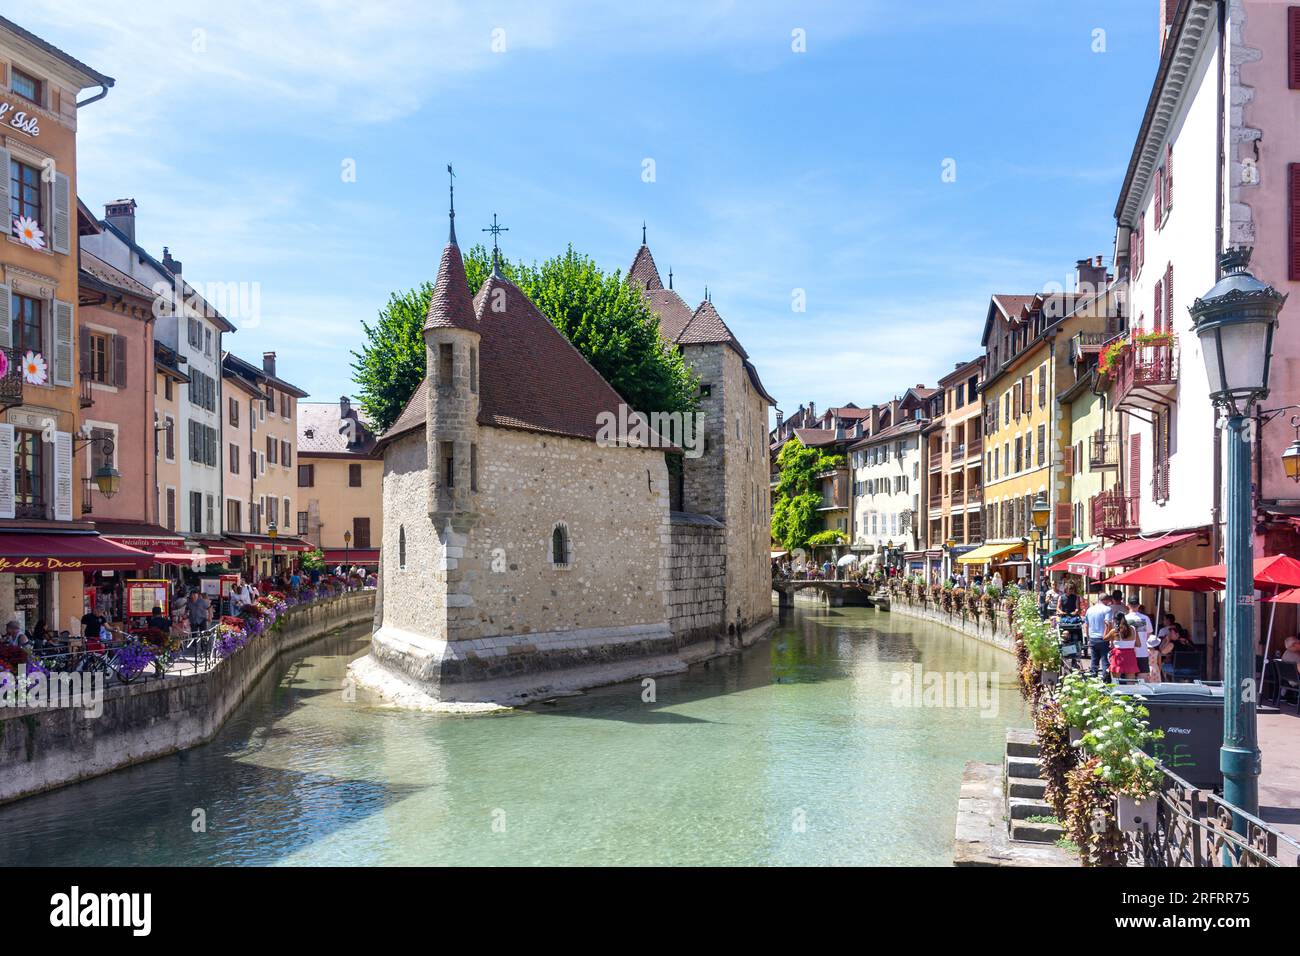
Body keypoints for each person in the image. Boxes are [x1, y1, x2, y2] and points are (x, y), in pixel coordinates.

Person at [1085, 592, 1114, 682]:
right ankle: (1106, 681)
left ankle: (1093, 679)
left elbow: (1086, 625)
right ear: (1105, 600)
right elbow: (1108, 623)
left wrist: (1088, 638)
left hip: (1093, 638)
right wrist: (1109, 638)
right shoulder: (1107, 609)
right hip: (1103, 638)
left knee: (1094, 660)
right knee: (1105, 660)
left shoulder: (1089, 609)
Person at [1107, 609, 1141, 681]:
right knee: (1131, 682)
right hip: (1130, 655)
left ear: (1115, 620)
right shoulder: (1133, 629)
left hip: (1118, 655)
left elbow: (1104, 638)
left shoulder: (1114, 631)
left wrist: (1107, 626)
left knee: (1115, 682)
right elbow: (1138, 644)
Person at [1125, 595, 1154, 679]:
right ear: (1139, 605)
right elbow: (1148, 634)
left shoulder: (1125, 619)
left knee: (1130, 678)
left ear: (1128, 605)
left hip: (1129, 651)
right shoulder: (1145, 618)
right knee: (1143, 677)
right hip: (1142, 651)